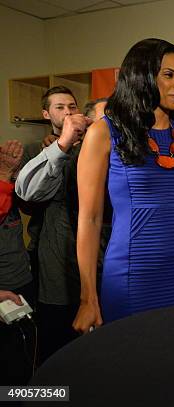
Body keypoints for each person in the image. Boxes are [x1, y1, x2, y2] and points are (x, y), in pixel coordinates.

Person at [72, 38, 174, 333]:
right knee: (133, 368)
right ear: (142, 74)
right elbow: (90, 219)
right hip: (134, 273)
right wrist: (88, 297)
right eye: (169, 75)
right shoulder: (104, 133)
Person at [15, 87, 92, 362]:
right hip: (52, 253)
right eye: (60, 107)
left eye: (72, 106)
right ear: (46, 114)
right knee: (57, 337)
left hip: (91, 251)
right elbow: (27, 201)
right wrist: (59, 148)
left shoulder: (91, 145)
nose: (68, 111)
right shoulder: (37, 150)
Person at [0, 139, 36, 384]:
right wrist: (5, 173)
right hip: (2, 289)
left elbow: (28, 207)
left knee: (24, 360)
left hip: (21, 277)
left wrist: (14, 174)